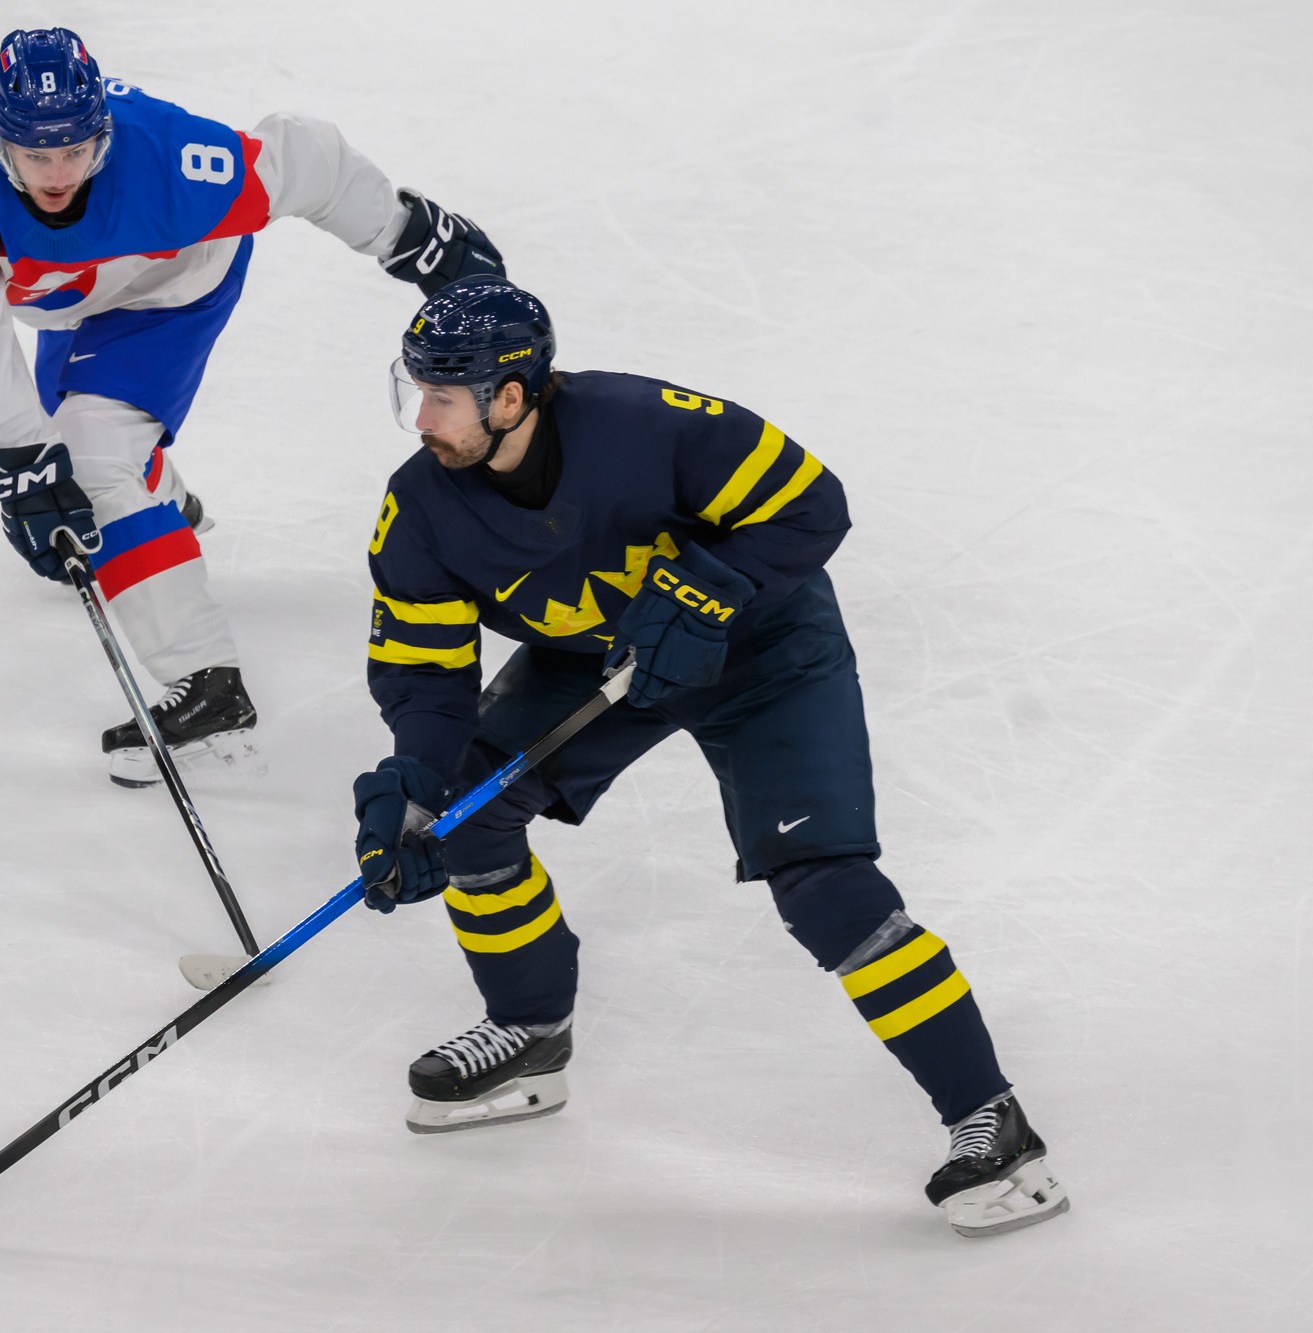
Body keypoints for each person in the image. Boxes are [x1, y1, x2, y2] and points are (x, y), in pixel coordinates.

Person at [348, 275, 1070, 1238]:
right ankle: (530, 1029)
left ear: (510, 396)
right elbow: (426, 673)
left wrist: (708, 589)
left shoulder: (650, 427)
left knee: (825, 885)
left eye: (442, 397)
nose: (422, 419)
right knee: (468, 815)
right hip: (601, 661)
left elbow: (813, 503)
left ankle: (994, 1125)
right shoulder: (421, 508)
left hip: (764, 650)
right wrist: (414, 784)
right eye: (416, 391)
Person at [0, 27, 505, 786]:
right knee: (67, 455)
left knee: (88, 464)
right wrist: (22, 451)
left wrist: (411, 234)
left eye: (76, 151)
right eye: (36, 155)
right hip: (69, 303)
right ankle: (158, 499)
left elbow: (305, 160)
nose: (58, 174)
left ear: (103, 133)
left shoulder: (170, 160)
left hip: (169, 290)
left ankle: (208, 686)